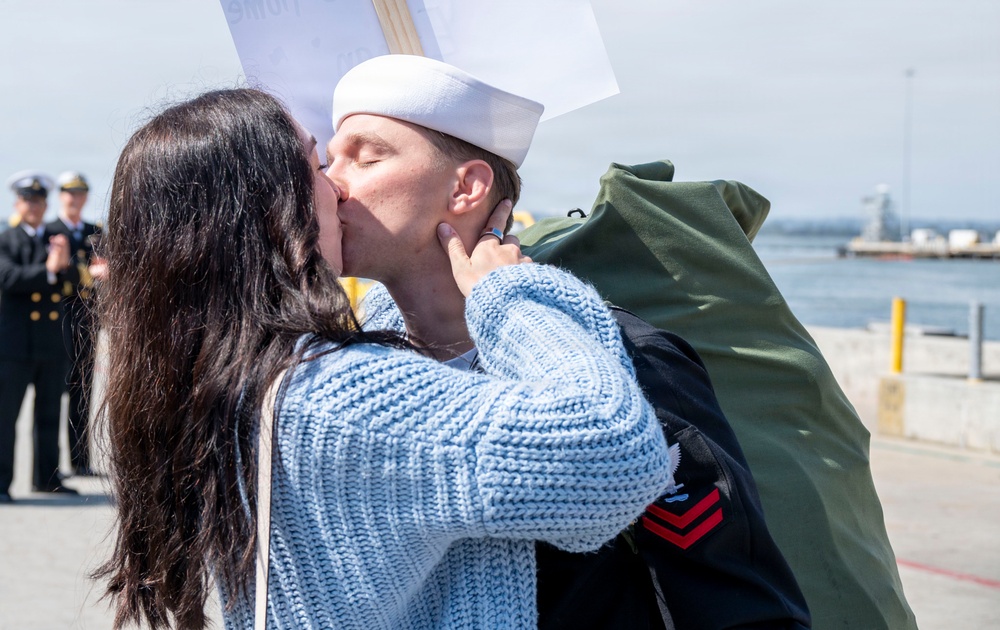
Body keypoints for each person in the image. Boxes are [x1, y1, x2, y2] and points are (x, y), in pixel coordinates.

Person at [94, 88, 676, 629]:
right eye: (317, 165)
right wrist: (510, 298)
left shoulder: (235, 374)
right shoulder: (336, 400)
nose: (337, 186)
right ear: (264, 208)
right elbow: (616, 456)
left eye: (364, 159)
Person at [328, 55, 810, 628]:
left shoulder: (625, 360)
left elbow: (733, 605)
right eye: (328, 161)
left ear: (466, 187)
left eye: (366, 157)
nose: (332, 183)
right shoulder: (357, 370)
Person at [0, 171, 80, 502]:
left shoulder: (56, 238)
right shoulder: (6, 239)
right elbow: (9, 277)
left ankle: (47, 478)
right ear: (18, 204)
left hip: (50, 341)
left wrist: (64, 265)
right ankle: (1, 483)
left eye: (39, 201)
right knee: (6, 417)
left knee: (49, 415)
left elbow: (75, 282)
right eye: (28, 201)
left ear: (46, 206)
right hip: (15, 344)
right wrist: (49, 269)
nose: (34, 206)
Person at [45, 171, 102, 476]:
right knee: (53, 392)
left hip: (87, 315)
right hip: (58, 315)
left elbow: (107, 268)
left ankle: (80, 460)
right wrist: (86, 273)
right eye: (69, 193)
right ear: (61, 196)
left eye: (80, 193)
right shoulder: (50, 230)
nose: (74, 199)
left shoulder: (96, 232)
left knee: (82, 390)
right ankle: (48, 465)